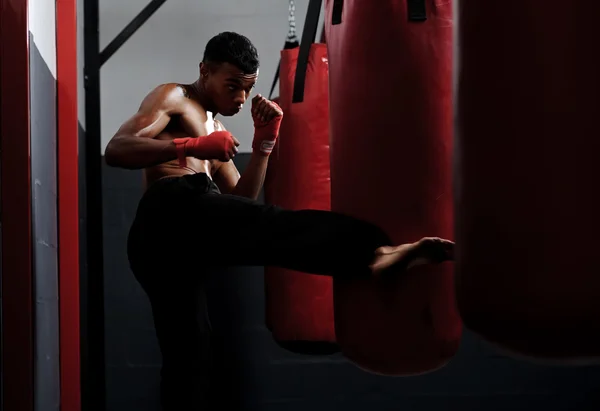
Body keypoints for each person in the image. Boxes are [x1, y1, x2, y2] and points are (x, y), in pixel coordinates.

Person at [105, 31, 454, 410]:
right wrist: (190, 146)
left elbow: (242, 202)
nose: (240, 98)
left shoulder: (219, 133)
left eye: (247, 88)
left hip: (184, 246)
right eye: (232, 85)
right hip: (166, 215)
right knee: (271, 224)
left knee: (191, 352)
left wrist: (264, 145)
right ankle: (372, 253)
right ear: (204, 71)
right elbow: (117, 149)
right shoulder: (175, 97)